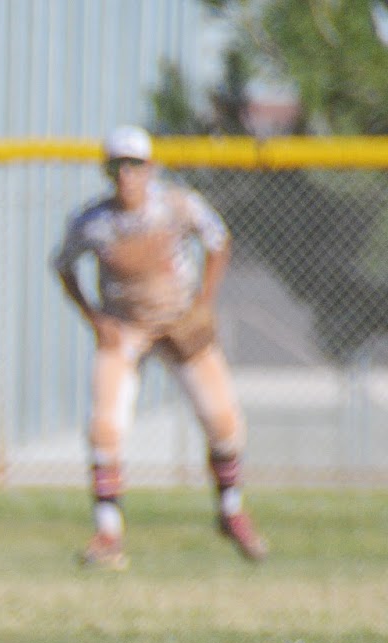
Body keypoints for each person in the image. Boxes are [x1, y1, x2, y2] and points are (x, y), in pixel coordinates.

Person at [52, 123, 267, 570]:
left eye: (134, 164)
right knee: (105, 429)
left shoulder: (175, 205)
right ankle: (108, 532)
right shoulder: (94, 221)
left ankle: (231, 512)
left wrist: (204, 304)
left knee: (224, 421)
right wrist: (94, 318)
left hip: (178, 321)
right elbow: (63, 265)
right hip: (126, 327)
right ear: (107, 170)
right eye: (118, 165)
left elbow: (218, 241)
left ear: (150, 168)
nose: (126, 174)